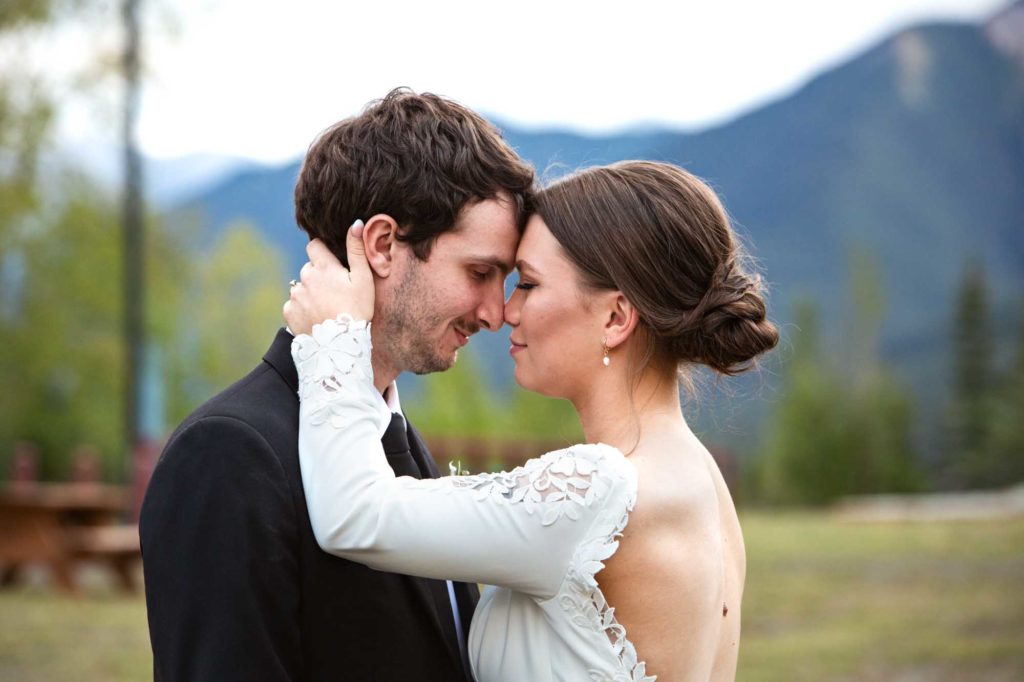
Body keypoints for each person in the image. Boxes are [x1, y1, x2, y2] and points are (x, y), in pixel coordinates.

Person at [283, 160, 780, 681]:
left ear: (615, 317)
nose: (505, 312)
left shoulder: (600, 490)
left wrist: (336, 334)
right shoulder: (703, 481)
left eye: (529, 284)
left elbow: (357, 515)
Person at [139, 89, 534, 682]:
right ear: (381, 246)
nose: (495, 312)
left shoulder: (395, 438)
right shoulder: (227, 452)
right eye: (479, 273)